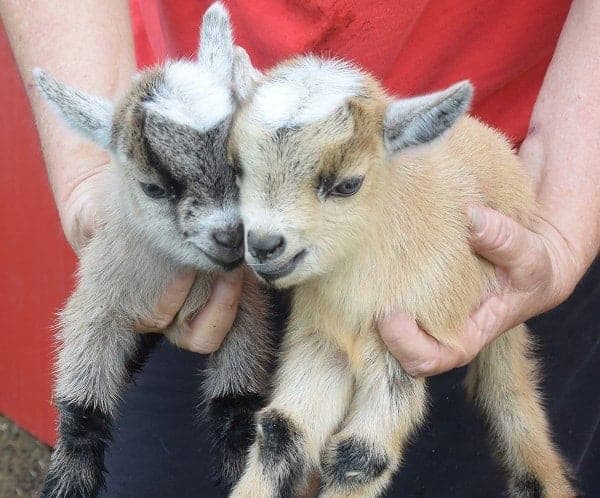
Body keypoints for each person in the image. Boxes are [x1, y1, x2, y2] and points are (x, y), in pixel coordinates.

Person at [1, 0, 598, 496]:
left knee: (461, 428)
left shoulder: (445, 206)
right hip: (216, 165)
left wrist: (565, 215)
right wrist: (97, 175)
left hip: (500, 219)